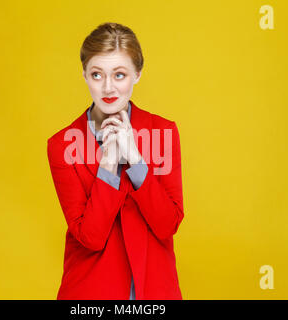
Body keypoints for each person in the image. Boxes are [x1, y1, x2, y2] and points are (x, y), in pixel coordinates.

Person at [47, 22, 184, 300]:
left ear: (137, 75)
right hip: (90, 294)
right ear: (84, 74)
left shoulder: (163, 132)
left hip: (154, 292)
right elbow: (91, 237)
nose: (108, 87)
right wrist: (108, 163)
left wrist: (134, 157)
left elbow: (167, 224)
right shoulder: (61, 145)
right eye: (97, 75)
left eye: (119, 75)